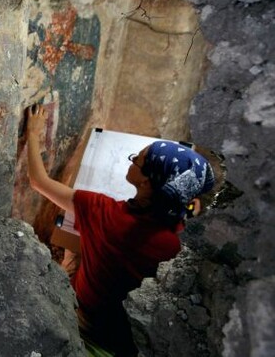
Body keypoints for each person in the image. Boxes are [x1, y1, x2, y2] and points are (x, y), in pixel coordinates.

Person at [25, 104, 215, 356]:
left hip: (83, 327)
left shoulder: (103, 213)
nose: (133, 159)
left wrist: (32, 133)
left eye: (137, 159)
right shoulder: (176, 243)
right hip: (126, 340)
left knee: (66, 262)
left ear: (145, 181)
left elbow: (38, 181)